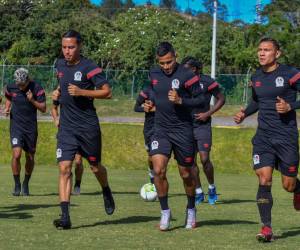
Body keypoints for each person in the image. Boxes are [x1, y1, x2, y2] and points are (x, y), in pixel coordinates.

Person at [234, 37, 300, 242]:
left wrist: (291, 106)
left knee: (288, 185)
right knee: (264, 178)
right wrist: (245, 112)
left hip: (286, 136)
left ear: (277, 54)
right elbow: (257, 100)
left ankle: (298, 189)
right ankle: (266, 228)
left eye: (267, 50)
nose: (262, 53)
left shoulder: (291, 74)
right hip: (263, 137)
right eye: (259, 50)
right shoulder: (256, 76)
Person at [52, 30, 115, 229]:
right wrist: (57, 93)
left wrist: (82, 92)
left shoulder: (89, 67)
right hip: (67, 128)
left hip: (88, 127)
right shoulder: (59, 65)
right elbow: (62, 86)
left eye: (71, 47)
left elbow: (107, 92)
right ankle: (65, 216)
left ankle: (105, 189)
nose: (67, 51)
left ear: (79, 46)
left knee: (95, 167)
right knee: (64, 168)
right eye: (64, 47)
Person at [149, 42, 204, 230]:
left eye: (169, 62)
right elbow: (153, 93)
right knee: (158, 170)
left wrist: (181, 100)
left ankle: (191, 209)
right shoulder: (154, 74)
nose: (166, 66)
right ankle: (165, 212)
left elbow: (201, 100)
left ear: (176, 56)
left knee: (186, 174)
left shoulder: (188, 75)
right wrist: (148, 105)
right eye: (162, 63)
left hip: (183, 130)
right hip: (160, 129)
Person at [182, 56, 225, 205]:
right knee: (190, 161)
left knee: (204, 159)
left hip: (203, 125)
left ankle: (211, 187)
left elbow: (221, 98)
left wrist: (207, 114)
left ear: (194, 69)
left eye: (186, 68)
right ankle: (199, 191)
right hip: (186, 125)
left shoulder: (207, 82)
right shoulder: (181, 81)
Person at [4, 68, 46, 196]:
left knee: (30, 156)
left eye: (23, 85)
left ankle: (26, 183)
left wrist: (32, 100)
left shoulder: (37, 88)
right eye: (18, 84)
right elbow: (9, 98)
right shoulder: (11, 87)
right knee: (16, 155)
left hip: (30, 127)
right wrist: (7, 108)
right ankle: (17, 184)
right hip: (16, 125)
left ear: (28, 80)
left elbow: (43, 108)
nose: (20, 87)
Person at [51, 94, 84, 195]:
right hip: (65, 132)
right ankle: (67, 186)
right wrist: (56, 118)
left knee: (78, 161)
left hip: (80, 131)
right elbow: (53, 108)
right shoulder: (59, 92)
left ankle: (77, 184)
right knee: (65, 165)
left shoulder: (80, 91)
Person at [134, 85, 155, 186]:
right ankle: (152, 173)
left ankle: (159, 181)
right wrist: (146, 108)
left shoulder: (168, 88)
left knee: (160, 158)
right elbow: (136, 107)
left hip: (164, 127)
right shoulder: (147, 90)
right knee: (151, 157)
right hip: (150, 129)